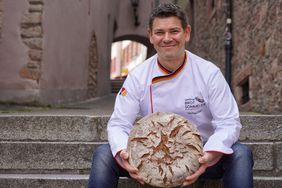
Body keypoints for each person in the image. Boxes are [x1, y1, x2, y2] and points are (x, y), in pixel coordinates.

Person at [87, 3, 253, 188]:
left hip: (202, 155)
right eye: (159, 32)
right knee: (103, 154)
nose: (167, 38)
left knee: (241, 154)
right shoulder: (138, 77)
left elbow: (229, 122)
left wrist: (209, 155)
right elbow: (119, 124)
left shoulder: (209, 73)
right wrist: (124, 155)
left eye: (174, 31)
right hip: (150, 157)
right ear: (150, 36)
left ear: (186, 33)